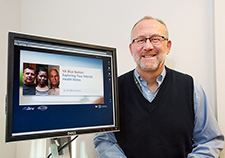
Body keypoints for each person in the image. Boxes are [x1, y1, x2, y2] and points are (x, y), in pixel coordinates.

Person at [93, 16, 224, 157]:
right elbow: (105, 140)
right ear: (132, 49)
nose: (148, 46)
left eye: (155, 39)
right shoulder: (113, 90)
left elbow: (210, 141)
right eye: (141, 40)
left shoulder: (191, 88)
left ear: (168, 46)